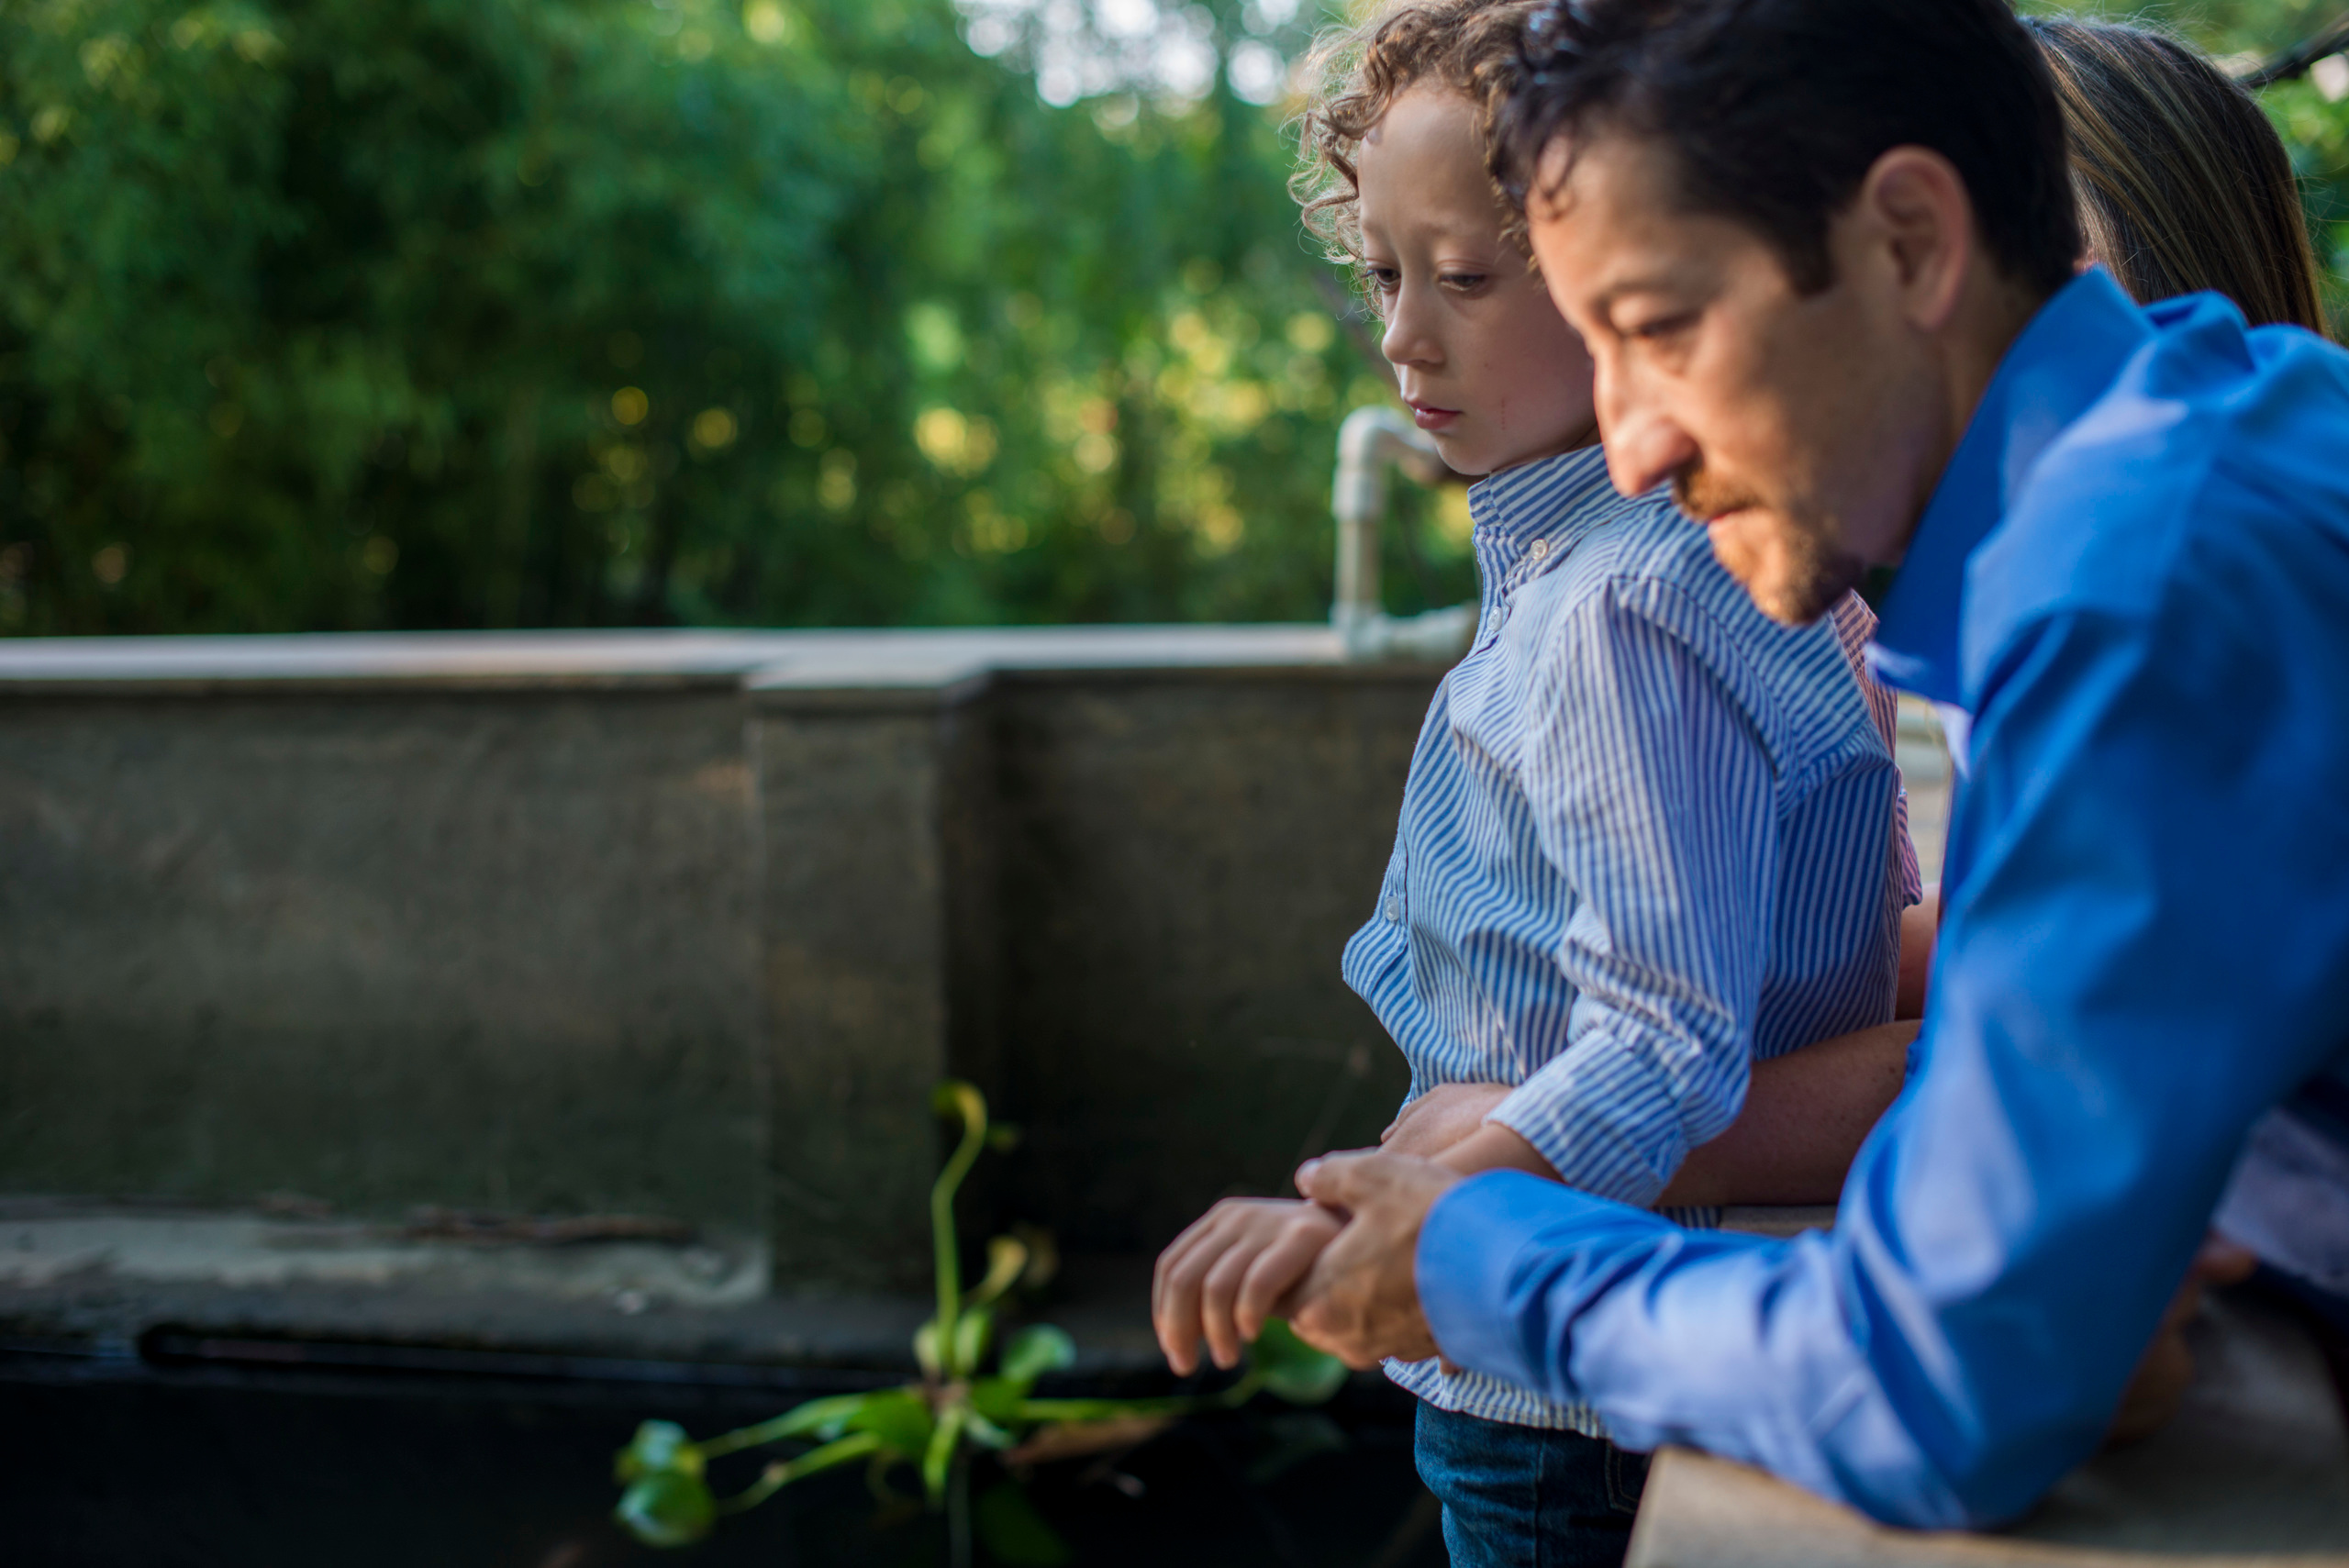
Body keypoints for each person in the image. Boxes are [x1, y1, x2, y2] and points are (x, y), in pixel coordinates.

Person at [1275, 0, 2349, 1532]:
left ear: (1911, 239)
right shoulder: (2238, 422)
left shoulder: (2136, 595)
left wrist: (1472, 1257)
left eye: (1659, 331)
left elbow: (1948, 1382)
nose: (1631, 450)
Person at [1152, 5, 1918, 1561]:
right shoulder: (1696, 558)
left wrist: (1396, 1228)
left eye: (1470, 276)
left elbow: (1663, 1045)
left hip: (1564, 1395)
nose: (1401, 335)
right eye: (1382, 271)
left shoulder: (1624, 609)